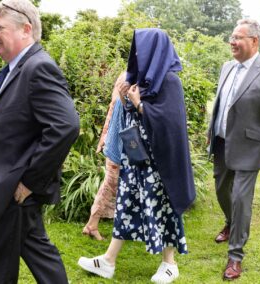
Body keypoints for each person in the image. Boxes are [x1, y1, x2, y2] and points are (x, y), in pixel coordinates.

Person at [78, 28, 196, 284]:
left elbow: (170, 124)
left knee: (164, 208)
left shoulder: (170, 81)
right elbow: (131, 115)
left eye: (142, 50)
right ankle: (108, 261)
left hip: (159, 163)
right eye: (136, 50)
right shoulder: (139, 79)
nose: (137, 55)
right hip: (136, 158)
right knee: (126, 205)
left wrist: (141, 104)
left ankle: (170, 263)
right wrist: (125, 98)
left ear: (156, 51)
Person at [0, 0, 79, 283]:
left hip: (13, 186)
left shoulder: (38, 67)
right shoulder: (13, 68)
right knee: (35, 251)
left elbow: (66, 125)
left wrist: (30, 182)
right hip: (7, 186)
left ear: (26, 29)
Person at [208, 19, 260, 280]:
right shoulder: (226, 67)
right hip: (221, 142)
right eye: (231, 36)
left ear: (254, 41)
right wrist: (211, 132)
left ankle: (235, 256)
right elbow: (221, 104)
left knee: (242, 200)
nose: (232, 41)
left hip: (250, 147)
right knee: (221, 190)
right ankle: (231, 224)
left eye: (238, 37)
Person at [82, 72, 126, 241]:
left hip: (116, 141)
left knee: (112, 184)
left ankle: (94, 224)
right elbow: (114, 108)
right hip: (118, 143)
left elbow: (111, 108)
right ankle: (92, 224)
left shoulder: (125, 76)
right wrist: (104, 139)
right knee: (110, 184)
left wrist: (103, 138)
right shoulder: (126, 78)